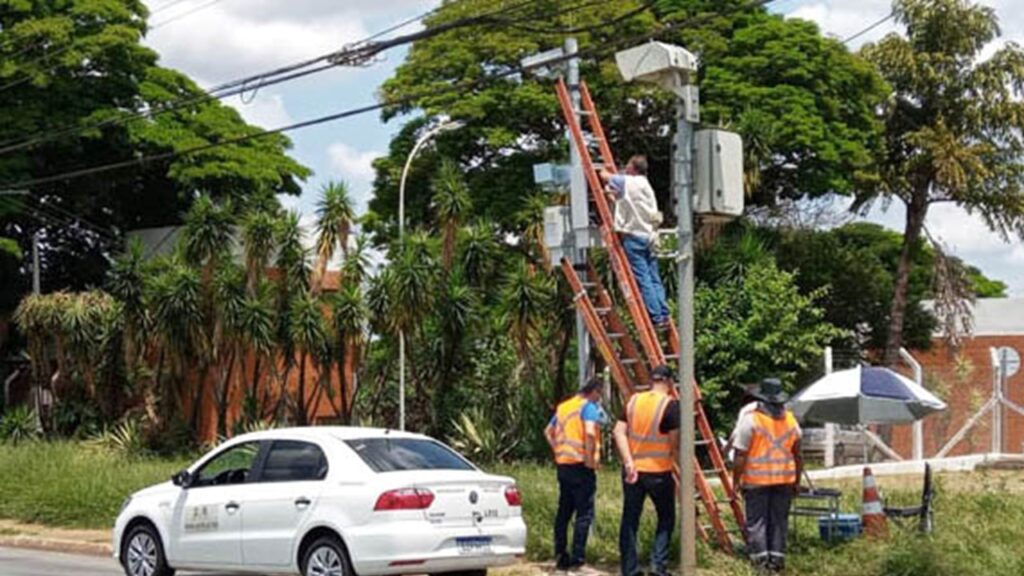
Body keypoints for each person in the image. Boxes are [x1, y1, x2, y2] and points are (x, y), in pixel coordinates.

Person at [613, 365, 679, 576]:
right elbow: (674, 443)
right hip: (659, 472)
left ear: (652, 380)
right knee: (666, 517)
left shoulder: (634, 401)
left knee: (630, 519)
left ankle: (629, 570)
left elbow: (618, 432)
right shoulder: (670, 406)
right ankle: (658, 566)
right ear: (669, 382)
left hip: (633, 472)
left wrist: (628, 461)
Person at [732, 378, 803, 574]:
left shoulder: (751, 420)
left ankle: (761, 563)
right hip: (784, 481)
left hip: (756, 481)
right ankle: (777, 561)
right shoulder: (791, 420)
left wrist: (735, 481)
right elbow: (798, 454)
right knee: (779, 521)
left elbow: (740, 454)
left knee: (757, 522)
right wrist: (797, 481)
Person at [599, 156, 671, 328]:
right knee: (654, 278)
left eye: (627, 166)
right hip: (650, 236)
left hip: (634, 237)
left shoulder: (627, 182)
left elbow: (603, 175)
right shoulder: (645, 185)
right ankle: (663, 313)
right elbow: (625, 201)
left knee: (644, 279)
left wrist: (605, 168)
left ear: (633, 168)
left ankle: (656, 317)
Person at [545, 378, 604, 571]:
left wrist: (558, 451)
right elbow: (589, 432)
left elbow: (548, 431)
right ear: (594, 391)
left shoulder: (564, 407)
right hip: (581, 466)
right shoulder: (588, 407)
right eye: (599, 394)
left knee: (564, 512)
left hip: (564, 466)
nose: (599, 399)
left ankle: (561, 556)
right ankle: (578, 559)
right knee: (584, 514)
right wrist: (590, 459)